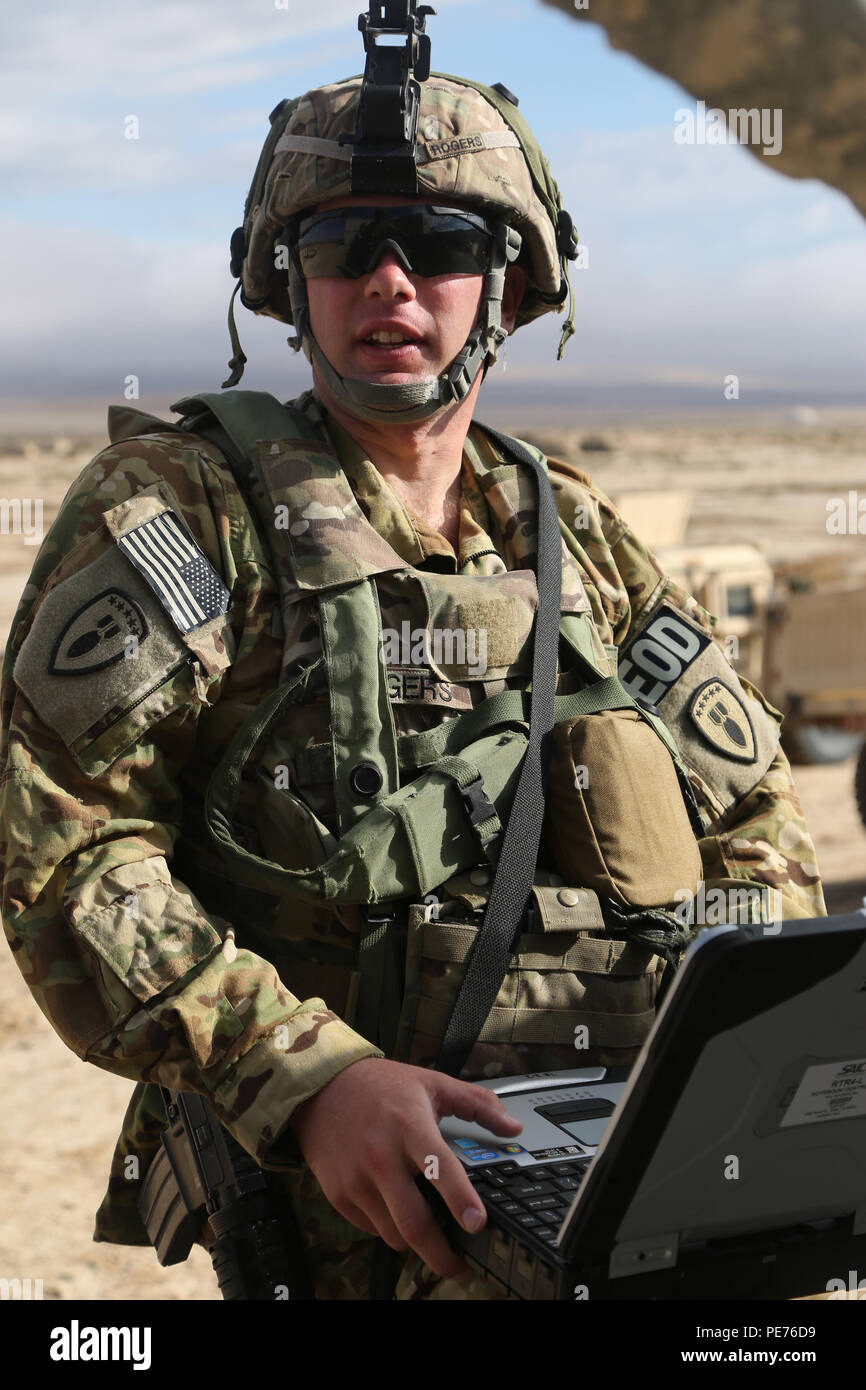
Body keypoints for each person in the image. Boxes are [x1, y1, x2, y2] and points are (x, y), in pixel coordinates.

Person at [0, 29, 826, 1303]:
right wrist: (306, 1076)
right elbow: (66, 847)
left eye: (440, 245)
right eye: (339, 248)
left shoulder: (574, 534)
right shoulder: (189, 505)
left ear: (509, 286)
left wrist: (722, 1087)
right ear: (288, 282)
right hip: (346, 1199)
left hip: (603, 1166)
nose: (388, 279)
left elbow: (758, 820)